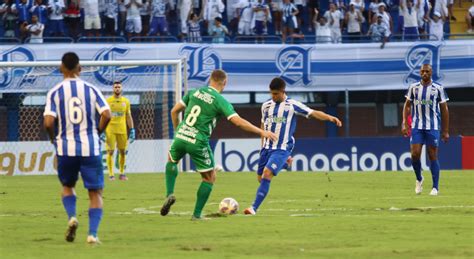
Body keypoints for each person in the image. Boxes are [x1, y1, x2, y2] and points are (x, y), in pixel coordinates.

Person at [160, 69, 277, 220]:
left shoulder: (194, 92)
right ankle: (196, 215)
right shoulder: (220, 101)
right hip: (198, 140)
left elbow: (174, 111)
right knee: (209, 178)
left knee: (172, 160)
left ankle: (169, 193)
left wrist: (177, 132)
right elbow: (238, 122)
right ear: (225, 83)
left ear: (210, 79)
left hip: (181, 135)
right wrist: (261, 132)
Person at [244, 77, 342, 215]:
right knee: (260, 179)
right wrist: (262, 146)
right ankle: (285, 164)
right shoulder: (265, 106)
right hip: (266, 148)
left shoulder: (292, 105)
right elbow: (262, 125)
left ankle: (253, 208)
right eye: (271, 93)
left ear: (283, 91)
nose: (273, 96)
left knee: (267, 174)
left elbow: (313, 113)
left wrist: (330, 117)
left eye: (276, 94)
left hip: (282, 148)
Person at [43, 52, 111, 244]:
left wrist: (53, 139)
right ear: (79, 68)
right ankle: (92, 235)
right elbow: (107, 114)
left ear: (61, 68)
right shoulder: (91, 89)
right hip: (90, 148)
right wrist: (97, 132)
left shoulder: (55, 92)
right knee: (95, 193)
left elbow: (48, 122)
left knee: (67, 186)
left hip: (66, 148)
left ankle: (72, 217)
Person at [402, 64, 449, 196]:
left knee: (432, 155)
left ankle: (435, 187)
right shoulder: (413, 87)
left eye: (427, 71)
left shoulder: (438, 88)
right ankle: (419, 178)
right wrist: (405, 123)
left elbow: (445, 110)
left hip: (432, 127)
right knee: (415, 154)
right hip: (417, 126)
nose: (424, 73)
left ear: (431, 72)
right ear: (419, 72)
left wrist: (445, 131)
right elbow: (406, 106)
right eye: (422, 71)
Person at [103, 81, 135, 181]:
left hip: (122, 130)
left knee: (122, 152)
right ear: (113, 89)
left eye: (119, 87)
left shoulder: (126, 101)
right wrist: (102, 130)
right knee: (110, 151)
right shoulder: (108, 101)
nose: (117, 88)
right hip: (110, 130)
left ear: (121, 89)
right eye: (115, 87)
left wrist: (132, 129)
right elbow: (103, 115)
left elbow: (128, 116)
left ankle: (122, 174)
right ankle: (111, 175)